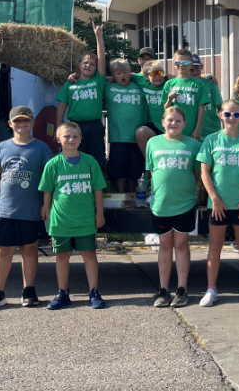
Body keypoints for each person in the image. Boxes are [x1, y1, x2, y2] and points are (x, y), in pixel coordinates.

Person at [0, 106, 54, 311]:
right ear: (10, 124)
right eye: (17, 121)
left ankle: (28, 290)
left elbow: (49, 179)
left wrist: (46, 205)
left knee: (29, 249)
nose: (22, 125)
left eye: (26, 121)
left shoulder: (41, 148)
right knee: (4, 250)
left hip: (31, 209)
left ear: (32, 123)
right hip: (5, 209)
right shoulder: (2, 148)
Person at [199, 100, 239, 307]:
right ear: (220, 115)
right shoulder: (210, 140)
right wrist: (215, 199)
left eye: (236, 115)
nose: (232, 118)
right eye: (228, 114)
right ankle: (211, 289)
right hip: (217, 204)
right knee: (214, 247)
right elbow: (204, 172)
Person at [39, 122, 107, 310]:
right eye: (66, 136)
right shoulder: (53, 164)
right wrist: (47, 210)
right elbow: (47, 191)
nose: (70, 139)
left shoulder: (90, 162)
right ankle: (63, 293)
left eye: (75, 136)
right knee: (62, 255)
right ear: (58, 139)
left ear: (80, 139)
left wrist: (99, 212)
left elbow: (98, 189)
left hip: (85, 219)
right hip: (61, 220)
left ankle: (94, 291)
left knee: (89, 254)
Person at [146, 107, 203, 308]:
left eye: (178, 121)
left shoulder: (193, 144)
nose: (173, 123)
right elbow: (153, 171)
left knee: (180, 244)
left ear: (185, 124)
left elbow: (197, 173)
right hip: (161, 203)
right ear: (163, 122)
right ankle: (163, 290)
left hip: (185, 202)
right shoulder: (152, 142)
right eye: (170, 120)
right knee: (164, 245)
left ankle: (182, 289)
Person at [55, 22, 106, 165]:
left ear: (96, 68)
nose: (88, 65)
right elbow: (62, 107)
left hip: (95, 125)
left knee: (96, 160)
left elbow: (102, 57)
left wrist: (99, 36)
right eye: (85, 63)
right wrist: (59, 127)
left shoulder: (98, 81)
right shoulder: (70, 83)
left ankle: (97, 186)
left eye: (92, 64)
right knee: (76, 158)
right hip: (75, 126)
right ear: (79, 65)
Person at [105, 58, 147, 192]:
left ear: (130, 72)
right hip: (118, 136)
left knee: (135, 170)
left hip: (138, 137)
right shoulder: (109, 87)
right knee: (119, 169)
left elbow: (153, 78)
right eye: (117, 73)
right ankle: (121, 195)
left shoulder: (139, 85)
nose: (122, 76)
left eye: (125, 72)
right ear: (112, 75)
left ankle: (132, 196)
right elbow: (94, 78)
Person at [163, 48, 210, 142]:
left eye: (185, 63)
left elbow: (201, 108)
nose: (181, 65)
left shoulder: (199, 84)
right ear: (174, 65)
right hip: (174, 130)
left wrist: (198, 130)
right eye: (178, 62)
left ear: (191, 65)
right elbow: (165, 109)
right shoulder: (169, 84)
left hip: (192, 131)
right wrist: (169, 99)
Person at [136, 60, 167, 155]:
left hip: (170, 125)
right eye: (154, 74)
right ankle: (149, 164)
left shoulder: (169, 83)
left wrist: (206, 76)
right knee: (140, 133)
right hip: (155, 125)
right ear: (146, 76)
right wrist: (110, 78)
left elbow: (185, 78)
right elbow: (126, 74)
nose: (158, 76)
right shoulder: (142, 82)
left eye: (160, 73)